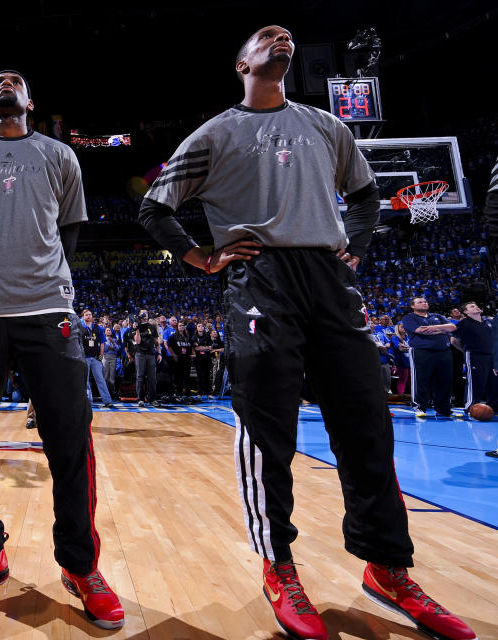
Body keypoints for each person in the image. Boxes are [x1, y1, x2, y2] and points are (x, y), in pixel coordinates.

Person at [136, 26, 474, 640]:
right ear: (242, 62)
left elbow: (368, 198)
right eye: (264, 35)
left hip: (329, 277)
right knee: (268, 427)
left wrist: (356, 249)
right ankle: (280, 566)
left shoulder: (326, 125)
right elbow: (153, 207)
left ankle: (388, 567)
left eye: (285, 32)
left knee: (367, 421)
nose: (280, 34)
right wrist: (203, 258)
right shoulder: (214, 133)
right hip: (261, 277)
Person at [0, 70, 123, 629]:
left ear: (30, 102)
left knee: (68, 438)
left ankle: (81, 567)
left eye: (15, 81)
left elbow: (70, 233)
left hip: (47, 311)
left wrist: (43, 281)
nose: (5, 83)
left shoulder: (62, 157)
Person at [402, 297, 457, 418]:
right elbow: (419, 330)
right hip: (421, 351)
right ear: (413, 306)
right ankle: (419, 407)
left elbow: (453, 328)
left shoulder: (437, 315)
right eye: (420, 302)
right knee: (421, 380)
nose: (424, 303)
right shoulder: (408, 318)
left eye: (425, 301)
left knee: (444, 380)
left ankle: (443, 408)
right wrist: (442, 329)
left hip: (444, 351)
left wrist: (433, 329)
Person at [454, 301, 498, 413]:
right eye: (472, 306)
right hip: (475, 355)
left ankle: (494, 408)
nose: (476, 307)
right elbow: (454, 340)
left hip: (492, 356)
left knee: (493, 382)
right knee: (475, 382)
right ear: (466, 312)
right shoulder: (464, 323)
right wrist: (466, 349)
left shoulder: (489, 321)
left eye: (476, 305)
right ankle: (470, 407)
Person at [80, 309, 113, 407]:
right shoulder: (80, 327)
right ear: (83, 317)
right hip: (84, 357)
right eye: (86, 315)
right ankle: (88, 401)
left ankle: (107, 401)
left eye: (90, 315)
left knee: (100, 379)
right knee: (85, 381)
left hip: (95, 358)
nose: (89, 316)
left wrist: (101, 355)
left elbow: (102, 342)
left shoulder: (98, 328)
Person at [133, 309, 160, 407]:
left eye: (146, 313)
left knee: (152, 377)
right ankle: (140, 399)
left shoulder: (152, 327)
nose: (145, 315)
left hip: (151, 354)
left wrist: (159, 353)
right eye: (143, 314)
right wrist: (137, 330)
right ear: (139, 316)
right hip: (140, 354)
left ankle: (152, 399)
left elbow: (156, 342)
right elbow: (138, 341)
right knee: (140, 377)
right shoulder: (136, 326)